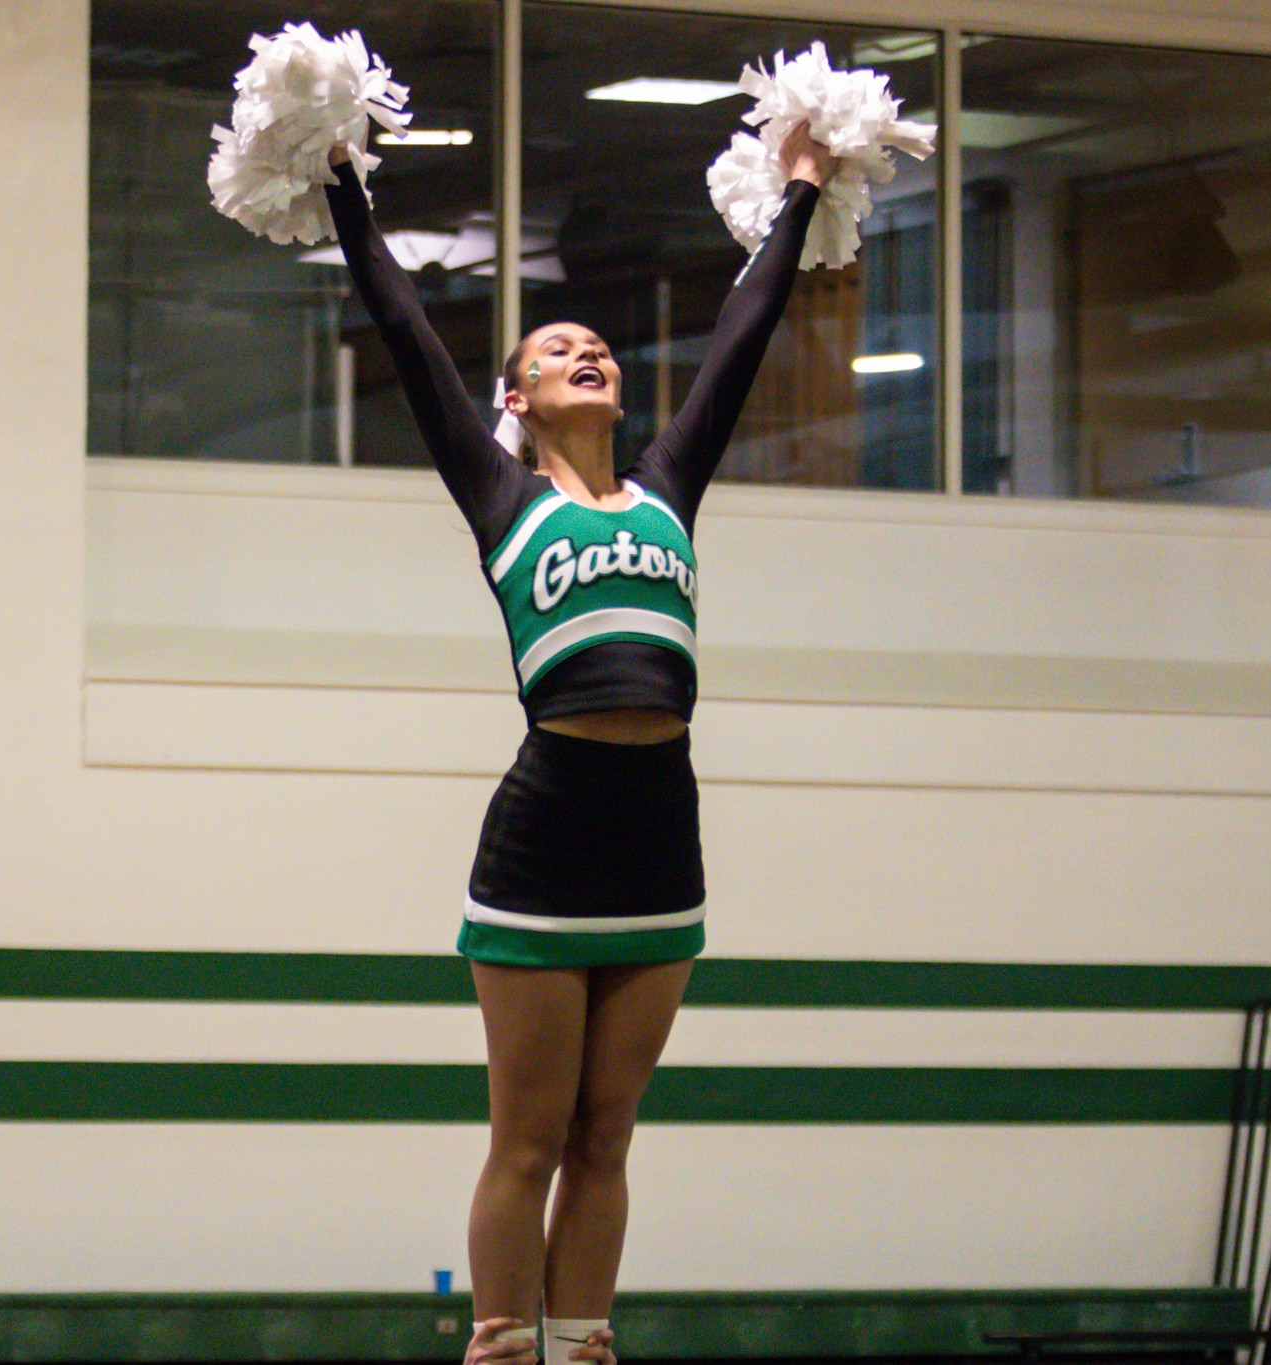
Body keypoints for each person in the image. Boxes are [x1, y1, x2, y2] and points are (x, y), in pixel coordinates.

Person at [322, 121, 839, 1365]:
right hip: (548, 826)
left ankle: (585, 1345)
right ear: (516, 397)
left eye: (597, 345)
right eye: (556, 349)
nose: (586, 351)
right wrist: (338, 180)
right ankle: (501, 1346)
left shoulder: (667, 486)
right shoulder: (502, 499)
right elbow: (401, 331)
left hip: (663, 829)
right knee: (529, 1137)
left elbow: (743, 335)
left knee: (608, 1133)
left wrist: (803, 191)